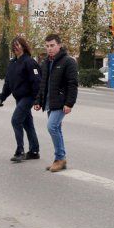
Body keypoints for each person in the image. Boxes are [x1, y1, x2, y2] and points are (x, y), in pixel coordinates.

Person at [34, 34, 78, 172]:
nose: (49, 49)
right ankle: (60, 159)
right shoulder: (46, 62)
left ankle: (60, 158)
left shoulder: (68, 62)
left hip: (60, 101)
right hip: (49, 102)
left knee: (52, 126)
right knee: (56, 128)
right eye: (47, 46)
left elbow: (72, 84)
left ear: (59, 45)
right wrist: (38, 101)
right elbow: (43, 84)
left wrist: (69, 103)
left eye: (52, 45)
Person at [0, 37, 41, 162]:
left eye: (18, 45)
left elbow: (37, 82)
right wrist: (2, 96)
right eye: (13, 45)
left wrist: (38, 99)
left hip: (28, 97)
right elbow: (8, 82)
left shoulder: (30, 62)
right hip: (19, 98)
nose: (15, 47)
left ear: (23, 46)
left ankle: (20, 151)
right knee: (28, 124)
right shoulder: (12, 63)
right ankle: (34, 151)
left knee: (16, 120)